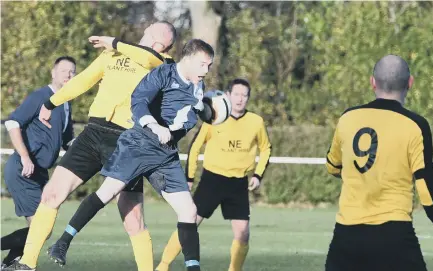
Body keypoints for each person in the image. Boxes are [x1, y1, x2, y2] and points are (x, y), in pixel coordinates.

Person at [5, 22, 176, 271]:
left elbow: (150, 58)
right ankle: (27, 264)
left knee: (133, 217)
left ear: (166, 44)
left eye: (161, 38)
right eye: (152, 31)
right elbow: (84, 79)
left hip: (129, 140)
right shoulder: (112, 54)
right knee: (52, 193)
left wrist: (116, 42)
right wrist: (51, 103)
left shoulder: (164, 63)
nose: (152, 35)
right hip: (94, 133)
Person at [324, 54, 433, 271]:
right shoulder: (415, 125)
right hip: (395, 235)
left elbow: (332, 166)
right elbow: (424, 181)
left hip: (347, 235)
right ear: (410, 83)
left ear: (373, 82)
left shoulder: (348, 118)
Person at [155, 78, 271, 271]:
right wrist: (189, 178)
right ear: (228, 95)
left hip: (238, 184)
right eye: (236, 94)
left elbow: (266, 148)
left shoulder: (256, 122)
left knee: (242, 233)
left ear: (248, 98)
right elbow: (195, 148)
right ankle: (163, 265)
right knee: (189, 222)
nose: (240, 99)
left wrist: (258, 175)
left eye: (244, 95)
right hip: (212, 181)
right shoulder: (214, 119)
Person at [1, 56, 76, 268]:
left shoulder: (66, 101)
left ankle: (9, 263)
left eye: (73, 72)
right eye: (64, 71)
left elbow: (68, 141)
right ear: (53, 73)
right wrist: (25, 157)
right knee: (40, 228)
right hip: (23, 170)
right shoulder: (41, 96)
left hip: (40, 173)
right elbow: (13, 122)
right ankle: (10, 262)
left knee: (42, 229)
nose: (69, 75)